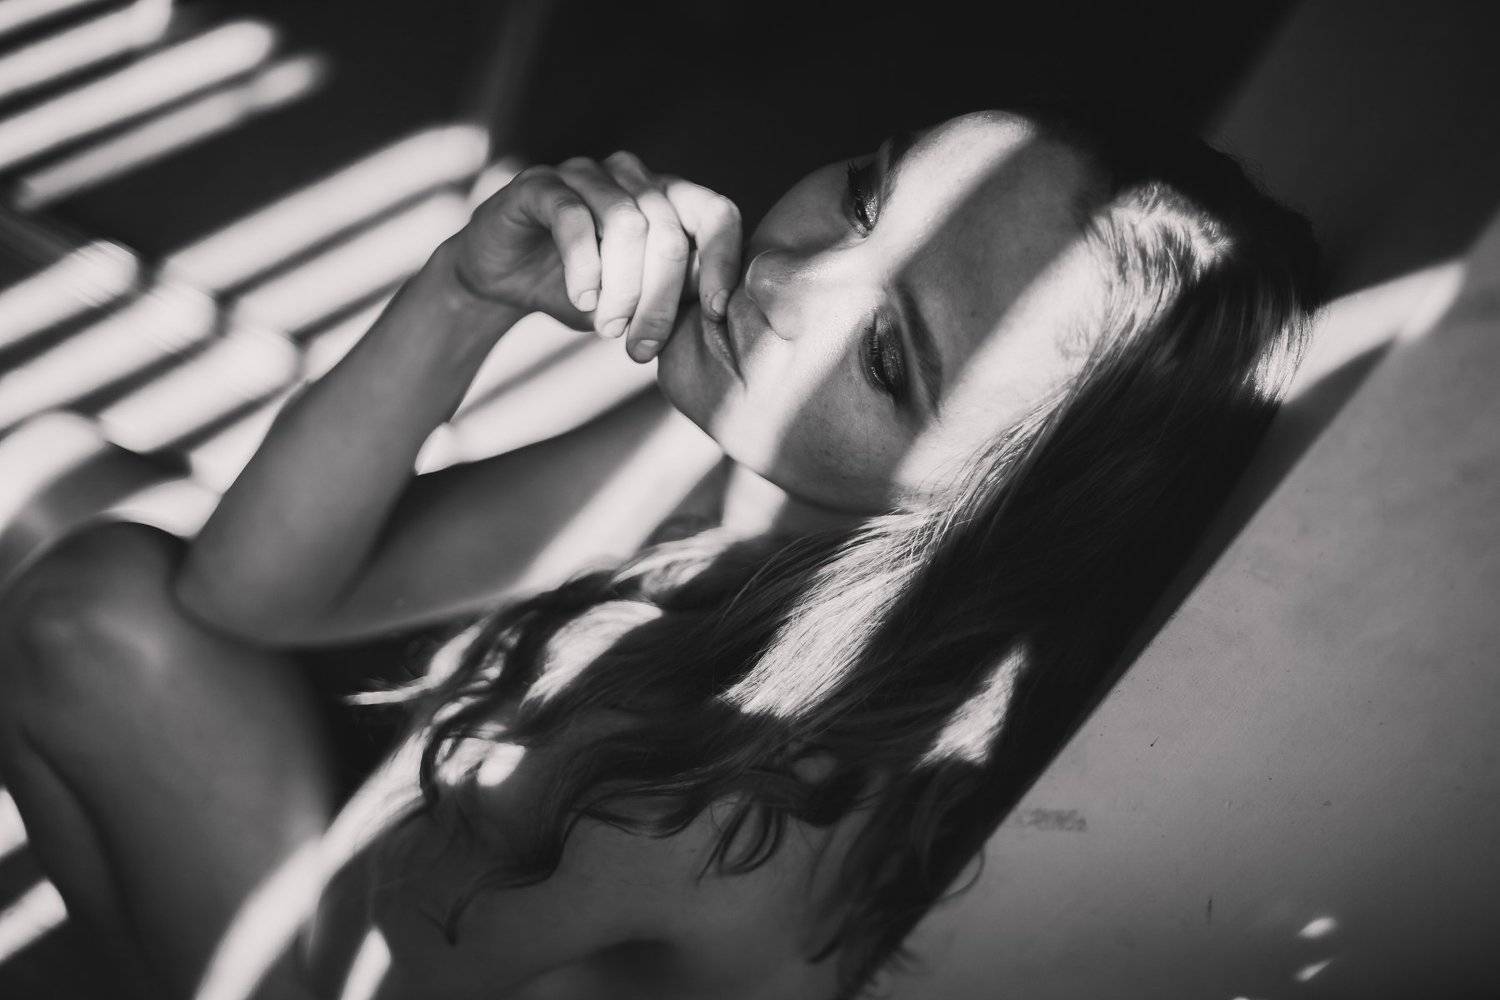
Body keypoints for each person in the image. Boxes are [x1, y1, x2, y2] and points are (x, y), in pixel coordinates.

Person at [0, 105, 1316, 1000]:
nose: (790, 277)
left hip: (376, 960)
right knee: (62, 502)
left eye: (885, 357)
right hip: (379, 882)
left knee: (85, 611)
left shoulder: (746, 783)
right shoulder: (751, 468)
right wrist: (463, 295)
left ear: (987, 513)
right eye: (868, 196)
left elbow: (378, 960)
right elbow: (255, 595)